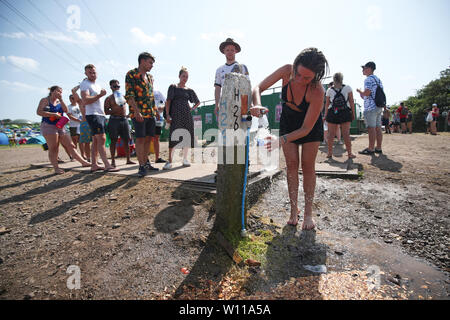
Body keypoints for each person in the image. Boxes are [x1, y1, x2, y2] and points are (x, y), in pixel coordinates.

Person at [253, 47, 329, 230]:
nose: (301, 80)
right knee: (292, 165)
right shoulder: (286, 70)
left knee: (308, 166)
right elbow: (258, 87)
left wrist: (281, 140)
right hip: (288, 119)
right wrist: (257, 104)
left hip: (308, 126)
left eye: (307, 78)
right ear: (294, 67)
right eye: (299, 75)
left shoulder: (318, 91)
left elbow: (306, 128)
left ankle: (308, 214)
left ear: (316, 77)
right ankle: (294, 210)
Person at [36, 86, 90, 174]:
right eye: (58, 91)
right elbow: (39, 112)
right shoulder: (45, 100)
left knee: (71, 145)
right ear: (52, 91)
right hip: (48, 125)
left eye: (61, 92)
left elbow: (66, 110)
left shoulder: (59, 101)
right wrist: (52, 114)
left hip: (60, 125)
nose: (60, 93)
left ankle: (83, 162)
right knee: (54, 148)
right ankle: (56, 168)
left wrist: (61, 100)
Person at [125, 52, 160, 177]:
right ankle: (141, 166)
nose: (152, 65)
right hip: (138, 113)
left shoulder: (150, 77)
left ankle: (146, 162)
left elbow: (151, 96)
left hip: (150, 112)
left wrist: (155, 111)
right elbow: (129, 95)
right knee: (140, 138)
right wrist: (136, 111)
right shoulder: (131, 74)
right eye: (150, 62)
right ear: (142, 61)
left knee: (149, 138)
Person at [80, 64, 119, 173]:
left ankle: (94, 164)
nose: (92, 74)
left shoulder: (97, 85)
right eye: (90, 73)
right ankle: (107, 164)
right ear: (86, 74)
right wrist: (99, 95)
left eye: (94, 72)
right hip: (93, 114)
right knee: (102, 138)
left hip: (100, 115)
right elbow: (85, 100)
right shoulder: (85, 84)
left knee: (96, 141)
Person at [163, 67, 200, 170]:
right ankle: (169, 161)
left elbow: (197, 102)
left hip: (187, 116)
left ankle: (185, 159)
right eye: (183, 76)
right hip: (175, 115)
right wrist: (167, 115)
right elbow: (168, 101)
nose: (185, 78)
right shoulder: (173, 87)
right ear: (179, 76)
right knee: (173, 136)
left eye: (187, 76)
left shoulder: (189, 90)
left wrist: (192, 108)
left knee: (186, 137)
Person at [214, 38, 250, 119]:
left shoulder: (242, 67)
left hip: (241, 102)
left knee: (243, 129)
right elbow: (217, 88)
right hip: (226, 104)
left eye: (232, 50)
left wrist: (248, 104)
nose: (230, 52)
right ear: (224, 51)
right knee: (226, 130)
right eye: (227, 50)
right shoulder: (219, 70)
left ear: (235, 51)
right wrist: (217, 104)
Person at [104, 79, 135, 167]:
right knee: (113, 140)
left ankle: (128, 159)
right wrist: (114, 111)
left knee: (126, 139)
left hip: (124, 119)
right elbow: (106, 111)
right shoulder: (109, 98)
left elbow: (131, 104)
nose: (117, 88)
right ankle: (113, 161)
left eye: (118, 86)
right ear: (111, 87)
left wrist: (129, 113)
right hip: (114, 120)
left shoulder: (123, 96)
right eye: (115, 86)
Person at [324, 72, 356, 159]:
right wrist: (353, 113)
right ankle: (349, 153)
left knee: (331, 134)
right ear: (342, 79)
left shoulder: (329, 90)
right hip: (345, 111)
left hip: (333, 112)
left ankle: (330, 153)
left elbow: (327, 104)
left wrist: (325, 115)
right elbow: (352, 102)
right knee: (346, 134)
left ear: (333, 80)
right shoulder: (348, 88)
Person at [357, 61, 384, 155]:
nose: (363, 70)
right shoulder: (378, 79)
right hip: (378, 106)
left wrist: (360, 91)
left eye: (364, 68)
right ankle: (378, 147)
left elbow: (367, 93)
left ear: (369, 69)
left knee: (371, 128)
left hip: (370, 108)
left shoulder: (368, 79)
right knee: (378, 128)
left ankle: (371, 148)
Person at [71, 85, 91, 161]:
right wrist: (81, 85)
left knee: (97, 141)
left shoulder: (93, 98)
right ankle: (88, 158)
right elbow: (73, 90)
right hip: (85, 122)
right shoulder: (80, 101)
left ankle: (95, 157)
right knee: (86, 142)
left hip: (94, 121)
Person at [67, 94, 83, 158]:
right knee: (74, 141)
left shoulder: (79, 106)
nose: (73, 99)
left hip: (81, 125)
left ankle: (83, 155)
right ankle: (75, 155)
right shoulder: (68, 107)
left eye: (74, 98)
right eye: (72, 98)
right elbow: (70, 116)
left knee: (81, 141)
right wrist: (78, 120)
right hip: (73, 125)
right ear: (70, 99)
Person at [153, 90, 166, 164]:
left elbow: (165, 102)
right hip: (148, 118)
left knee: (156, 138)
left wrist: (162, 108)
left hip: (158, 120)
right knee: (147, 138)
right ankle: (145, 160)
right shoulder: (144, 91)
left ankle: (157, 158)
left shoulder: (158, 93)